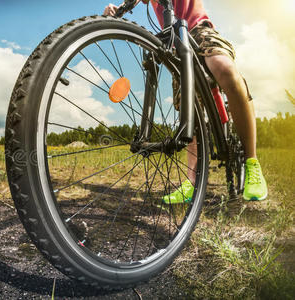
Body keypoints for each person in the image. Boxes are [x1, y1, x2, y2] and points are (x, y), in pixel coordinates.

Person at [103, 0, 268, 202]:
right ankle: (192, 182)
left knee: (222, 67)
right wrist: (118, 7)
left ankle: (252, 161)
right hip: (175, 42)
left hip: (198, 29)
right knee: (188, 108)